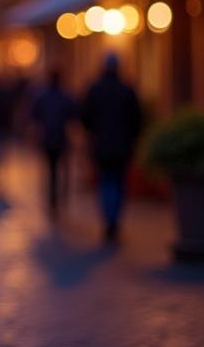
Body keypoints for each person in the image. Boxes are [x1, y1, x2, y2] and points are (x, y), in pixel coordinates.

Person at [81, 53, 141, 243]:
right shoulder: (127, 89)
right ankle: (113, 219)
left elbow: (86, 118)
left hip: (101, 145)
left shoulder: (95, 89)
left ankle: (109, 218)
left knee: (106, 182)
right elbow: (137, 119)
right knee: (118, 182)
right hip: (122, 145)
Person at [31, 68, 76, 216]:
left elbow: (35, 117)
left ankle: (53, 199)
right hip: (61, 138)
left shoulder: (42, 96)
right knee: (61, 169)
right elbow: (73, 116)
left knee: (51, 170)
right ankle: (59, 198)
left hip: (48, 138)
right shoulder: (66, 96)